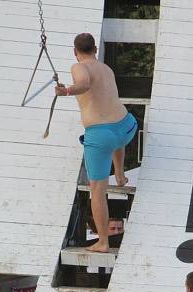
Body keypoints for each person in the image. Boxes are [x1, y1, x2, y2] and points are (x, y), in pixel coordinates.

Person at [56, 33, 138, 253]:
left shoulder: (78, 66)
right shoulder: (106, 68)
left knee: (97, 190)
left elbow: (83, 84)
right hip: (127, 126)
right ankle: (119, 174)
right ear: (95, 49)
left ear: (75, 51)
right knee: (116, 139)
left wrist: (67, 90)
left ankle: (102, 241)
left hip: (101, 135)